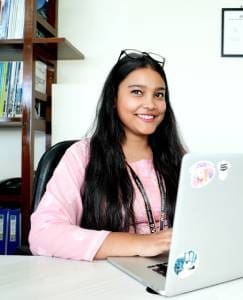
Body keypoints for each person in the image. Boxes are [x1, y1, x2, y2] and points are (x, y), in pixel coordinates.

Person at [29, 49, 186, 261]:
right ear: (114, 98)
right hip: (104, 277)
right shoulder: (83, 156)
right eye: (137, 92)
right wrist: (141, 243)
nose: (150, 104)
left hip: (168, 273)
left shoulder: (181, 159)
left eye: (159, 94)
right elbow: (43, 235)